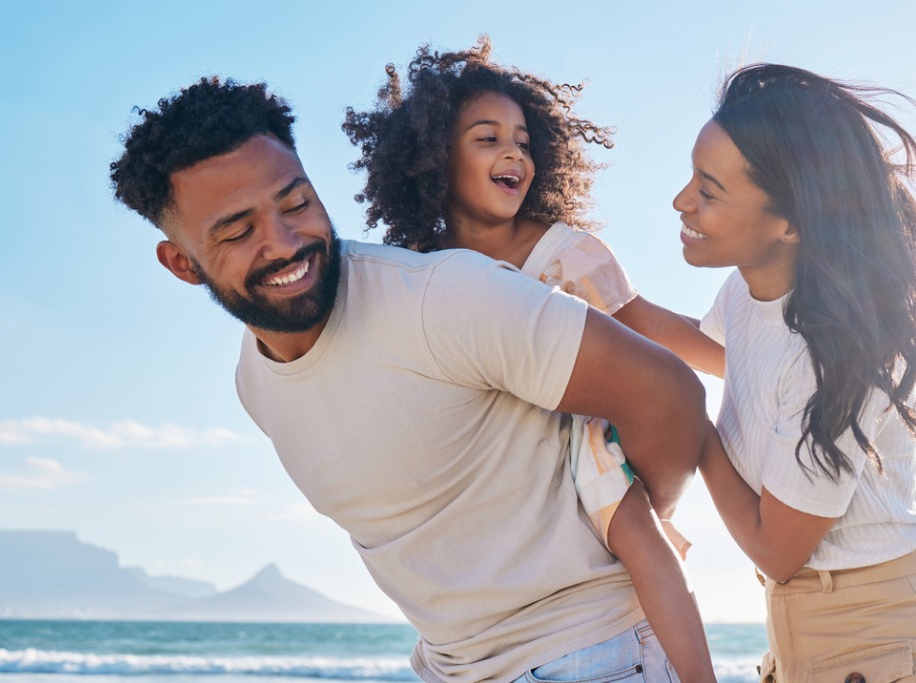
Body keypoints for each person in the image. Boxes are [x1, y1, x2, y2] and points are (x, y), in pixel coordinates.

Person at [110, 76, 708, 683]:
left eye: (296, 204)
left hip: (587, 657)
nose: (285, 243)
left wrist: (626, 518)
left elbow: (669, 394)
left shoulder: (441, 297)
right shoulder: (254, 382)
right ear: (182, 262)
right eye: (238, 231)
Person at [342, 39, 722, 683]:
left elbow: (645, 325)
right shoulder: (419, 269)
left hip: (579, 435)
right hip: (491, 459)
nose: (512, 152)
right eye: (486, 139)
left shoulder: (564, 254)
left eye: (521, 140)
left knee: (637, 536)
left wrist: (743, 356)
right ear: (435, 158)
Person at [675, 64, 916, 681]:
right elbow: (717, 355)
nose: (682, 200)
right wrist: (590, 287)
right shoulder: (750, 295)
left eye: (708, 191)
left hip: (885, 642)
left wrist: (688, 426)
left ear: (791, 222)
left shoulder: (835, 358)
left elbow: (777, 549)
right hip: (811, 635)